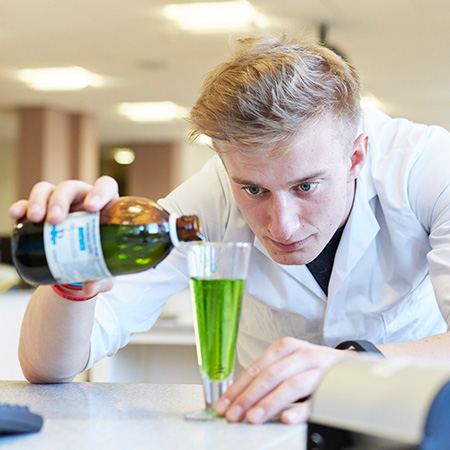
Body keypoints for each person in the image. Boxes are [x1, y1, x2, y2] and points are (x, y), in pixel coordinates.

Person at [9, 34, 450, 425]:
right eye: (254, 189)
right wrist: (72, 274)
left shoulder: (428, 168)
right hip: (262, 427)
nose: (283, 224)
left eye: (307, 186)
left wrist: (354, 366)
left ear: (356, 157)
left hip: (410, 417)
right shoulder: (209, 198)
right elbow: (49, 368)